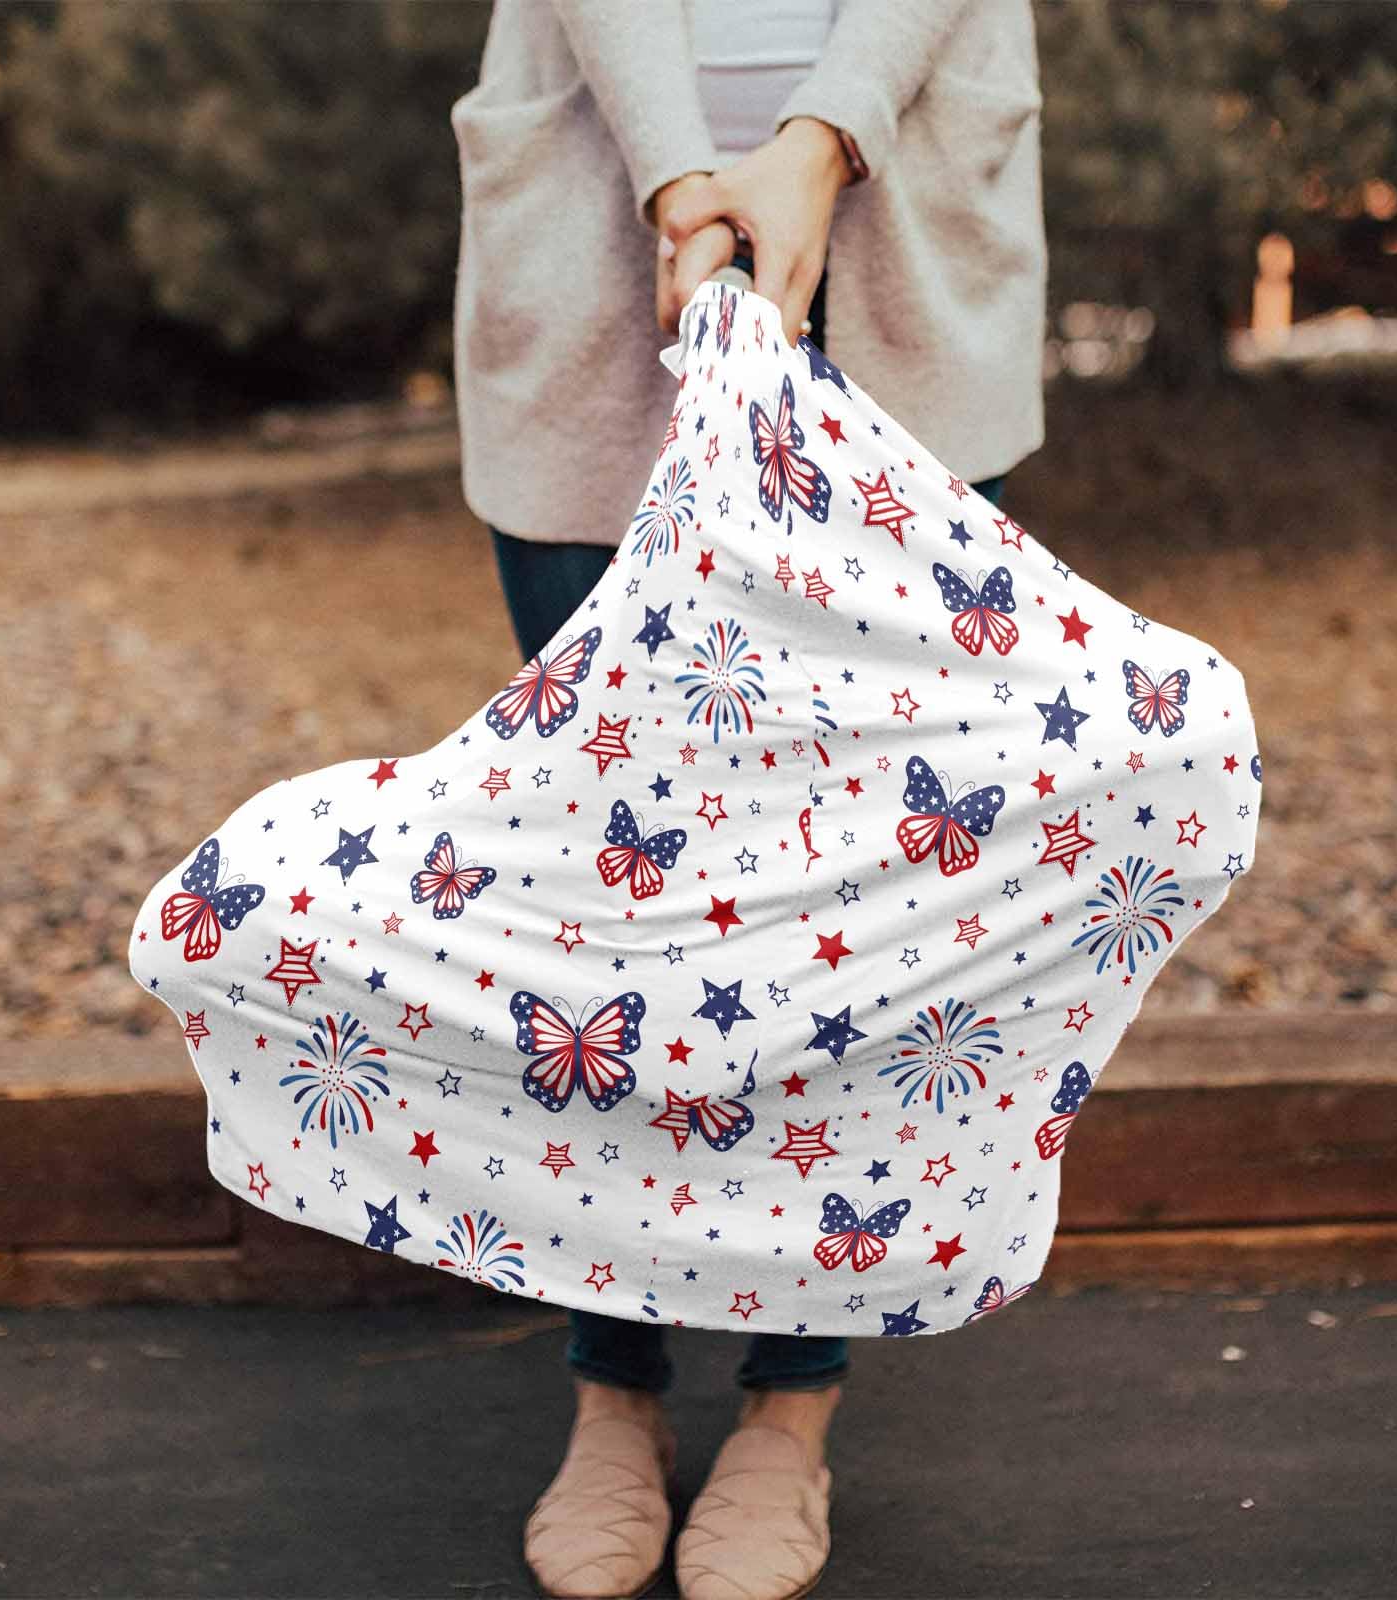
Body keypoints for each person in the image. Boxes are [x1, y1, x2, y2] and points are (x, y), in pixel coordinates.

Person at [448, 4, 1046, 1596]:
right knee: (608, 881)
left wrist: (819, 137)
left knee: (852, 892)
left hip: (901, 223)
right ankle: (614, 1388)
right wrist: (677, 178)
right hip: (601, 224)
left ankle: (792, 1407)